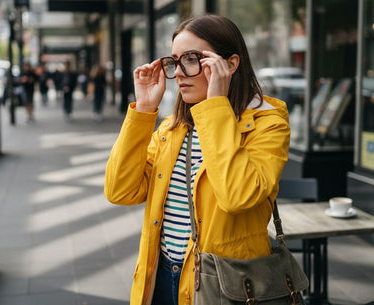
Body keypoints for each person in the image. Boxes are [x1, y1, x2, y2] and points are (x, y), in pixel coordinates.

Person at [104, 14, 290, 305]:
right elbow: (120, 191)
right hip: (161, 277)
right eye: (175, 61)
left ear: (230, 64)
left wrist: (216, 106)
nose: (178, 72)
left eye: (191, 59)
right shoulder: (172, 127)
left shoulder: (268, 125)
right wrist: (143, 111)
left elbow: (237, 196)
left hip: (228, 283)